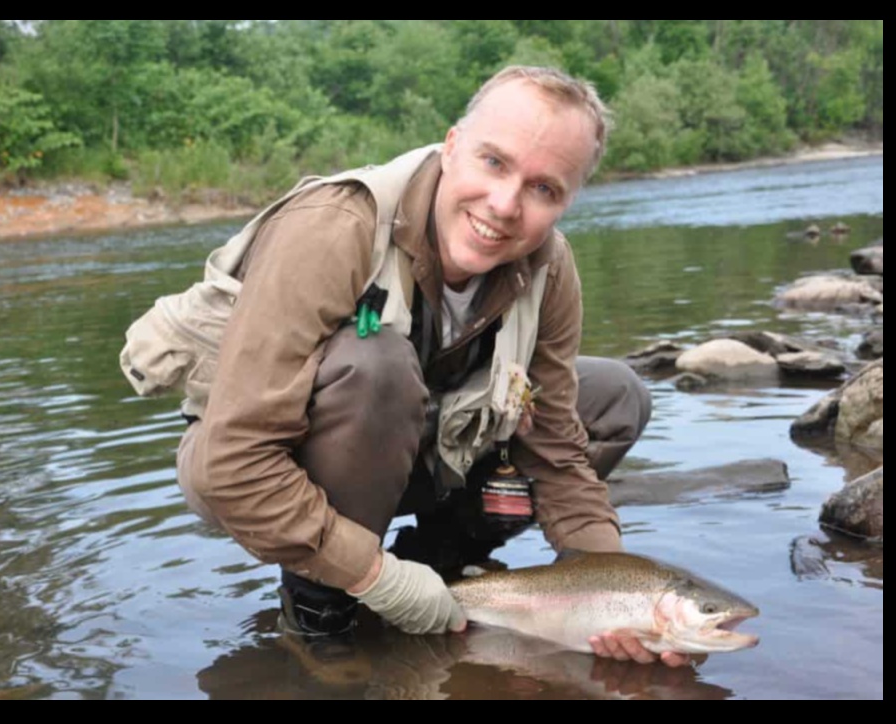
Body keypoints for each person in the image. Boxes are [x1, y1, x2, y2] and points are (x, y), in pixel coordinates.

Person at [124, 66, 685, 667]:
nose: (504, 204)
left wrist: (619, 594)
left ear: (568, 200)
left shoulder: (550, 269)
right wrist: (373, 578)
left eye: (544, 189)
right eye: (493, 162)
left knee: (615, 396)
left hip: (421, 439)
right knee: (376, 365)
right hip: (254, 464)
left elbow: (556, 451)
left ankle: (442, 561)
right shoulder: (333, 227)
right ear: (450, 147)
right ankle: (319, 610)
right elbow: (232, 465)